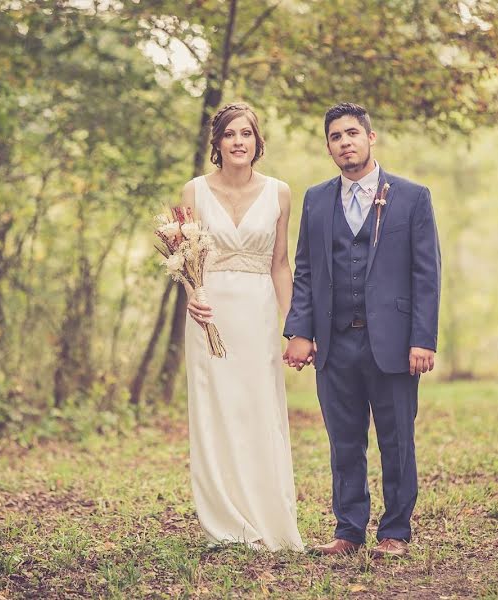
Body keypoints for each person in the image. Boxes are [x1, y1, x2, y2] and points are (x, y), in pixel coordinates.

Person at [282, 102, 441, 558]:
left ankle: (395, 531)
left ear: (371, 138)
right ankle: (348, 530)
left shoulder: (411, 197)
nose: (344, 142)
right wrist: (300, 330)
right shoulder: (316, 199)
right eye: (335, 136)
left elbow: (426, 273)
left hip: (392, 344)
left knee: (397, 440)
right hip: (335, 345)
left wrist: (422, 339)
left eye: (352, 133)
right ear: (329, 147)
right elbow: (306, 270)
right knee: (344, 441)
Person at [180, 102, 303, 552]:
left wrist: (293, 327)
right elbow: (187, 261)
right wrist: (194, 293)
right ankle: (224, 521)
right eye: (229, 134)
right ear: (217, 143)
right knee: (215, 409)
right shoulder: (194, 191)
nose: (238, 141)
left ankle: (268, 515)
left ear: (257, 141)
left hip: (257, 312)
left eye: (246, 134)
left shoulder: (280, 193)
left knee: (258, 408)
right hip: (209, 314)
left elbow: (280, 265)